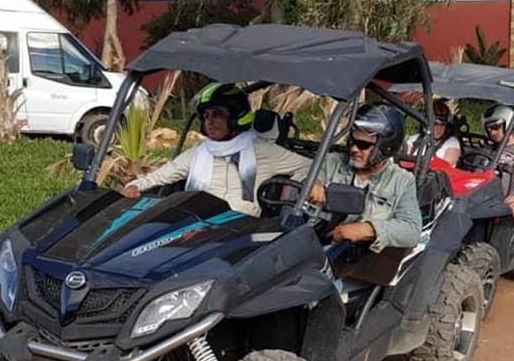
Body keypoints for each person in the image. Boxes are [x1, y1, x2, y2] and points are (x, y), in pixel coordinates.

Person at [121, 83, 311, 216]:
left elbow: (309, 166)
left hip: (241, 229)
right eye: (206, 116)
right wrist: (136, 185)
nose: (209, 122)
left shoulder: (261, 150)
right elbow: (165, 174)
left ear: (236, 116)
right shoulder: (200, 151)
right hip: (196, 221)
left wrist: (305, 185)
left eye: (217, 115)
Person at [309, 103, 421, 252]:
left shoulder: (402, 181)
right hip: (315, 243)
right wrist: (313, 183)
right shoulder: (332, 162)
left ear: (385, 148)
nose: (354, 149)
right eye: (353, 141)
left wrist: (366, 230)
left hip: (361, 258)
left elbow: (412, 230)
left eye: (363, 144)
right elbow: (305, 182)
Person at [406, 99, 461, 166]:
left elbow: (445, 167)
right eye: (435, 124)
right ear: (426, 123)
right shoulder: (414, 139)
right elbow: (403, 158)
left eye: (443, 125)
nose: (439, 128)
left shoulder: (452, 143)